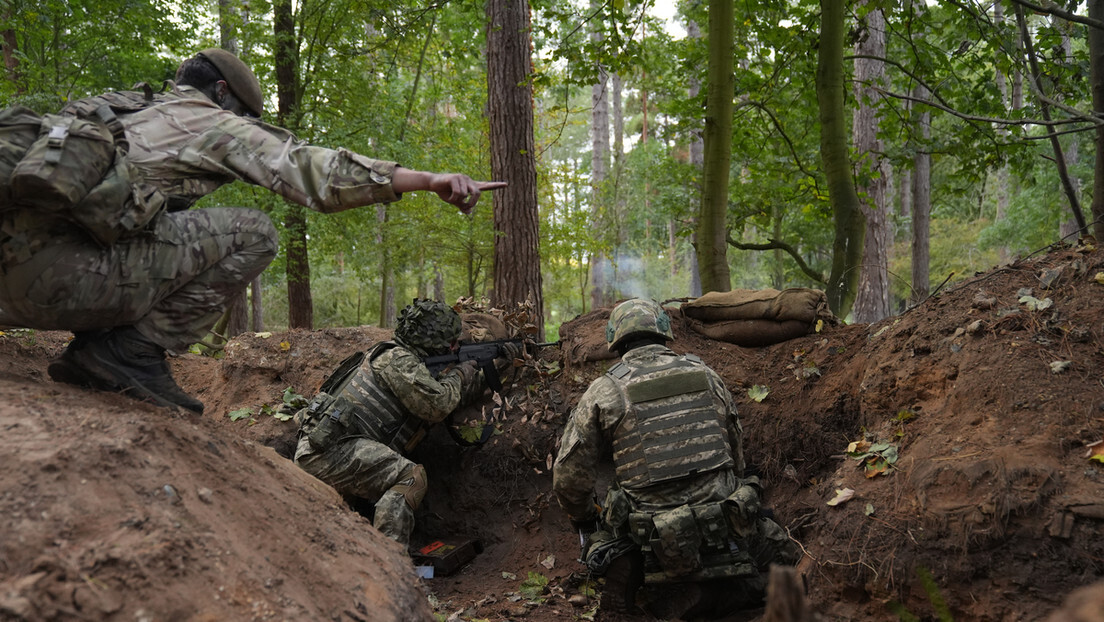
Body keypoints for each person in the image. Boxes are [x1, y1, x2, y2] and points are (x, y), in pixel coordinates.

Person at [0, 49, 504, 414]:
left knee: (145, 223)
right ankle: (125, 354)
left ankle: (103, 341)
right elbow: (311, 170)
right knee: (253, 232)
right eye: (244, 114)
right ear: (222, 93)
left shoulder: (117, 110)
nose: (243, 123)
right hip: (49, 286)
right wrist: (425, 180)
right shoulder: (206, 121)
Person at [552, 298, 800, 619]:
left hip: (650, 537)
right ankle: (732, 591)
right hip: (723, 523)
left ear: (616, 339)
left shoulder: (605, 390)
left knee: (603, 543)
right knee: (778, 548)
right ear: (664, 332)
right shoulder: (707, 374)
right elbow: (734, 454)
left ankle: (636, 584)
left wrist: (586, 520)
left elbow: (568, 477)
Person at [293, 299, 516, 547]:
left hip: (334, 450)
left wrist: (494, 364)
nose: (454, 347)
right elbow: (439, 405)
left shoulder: (405, 359)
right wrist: (461, 371)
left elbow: (453, 396)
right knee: (411, 478)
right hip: (329, 453)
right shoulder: (397, 360)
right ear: (429, 343)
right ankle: (392, 562)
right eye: (449, 343)